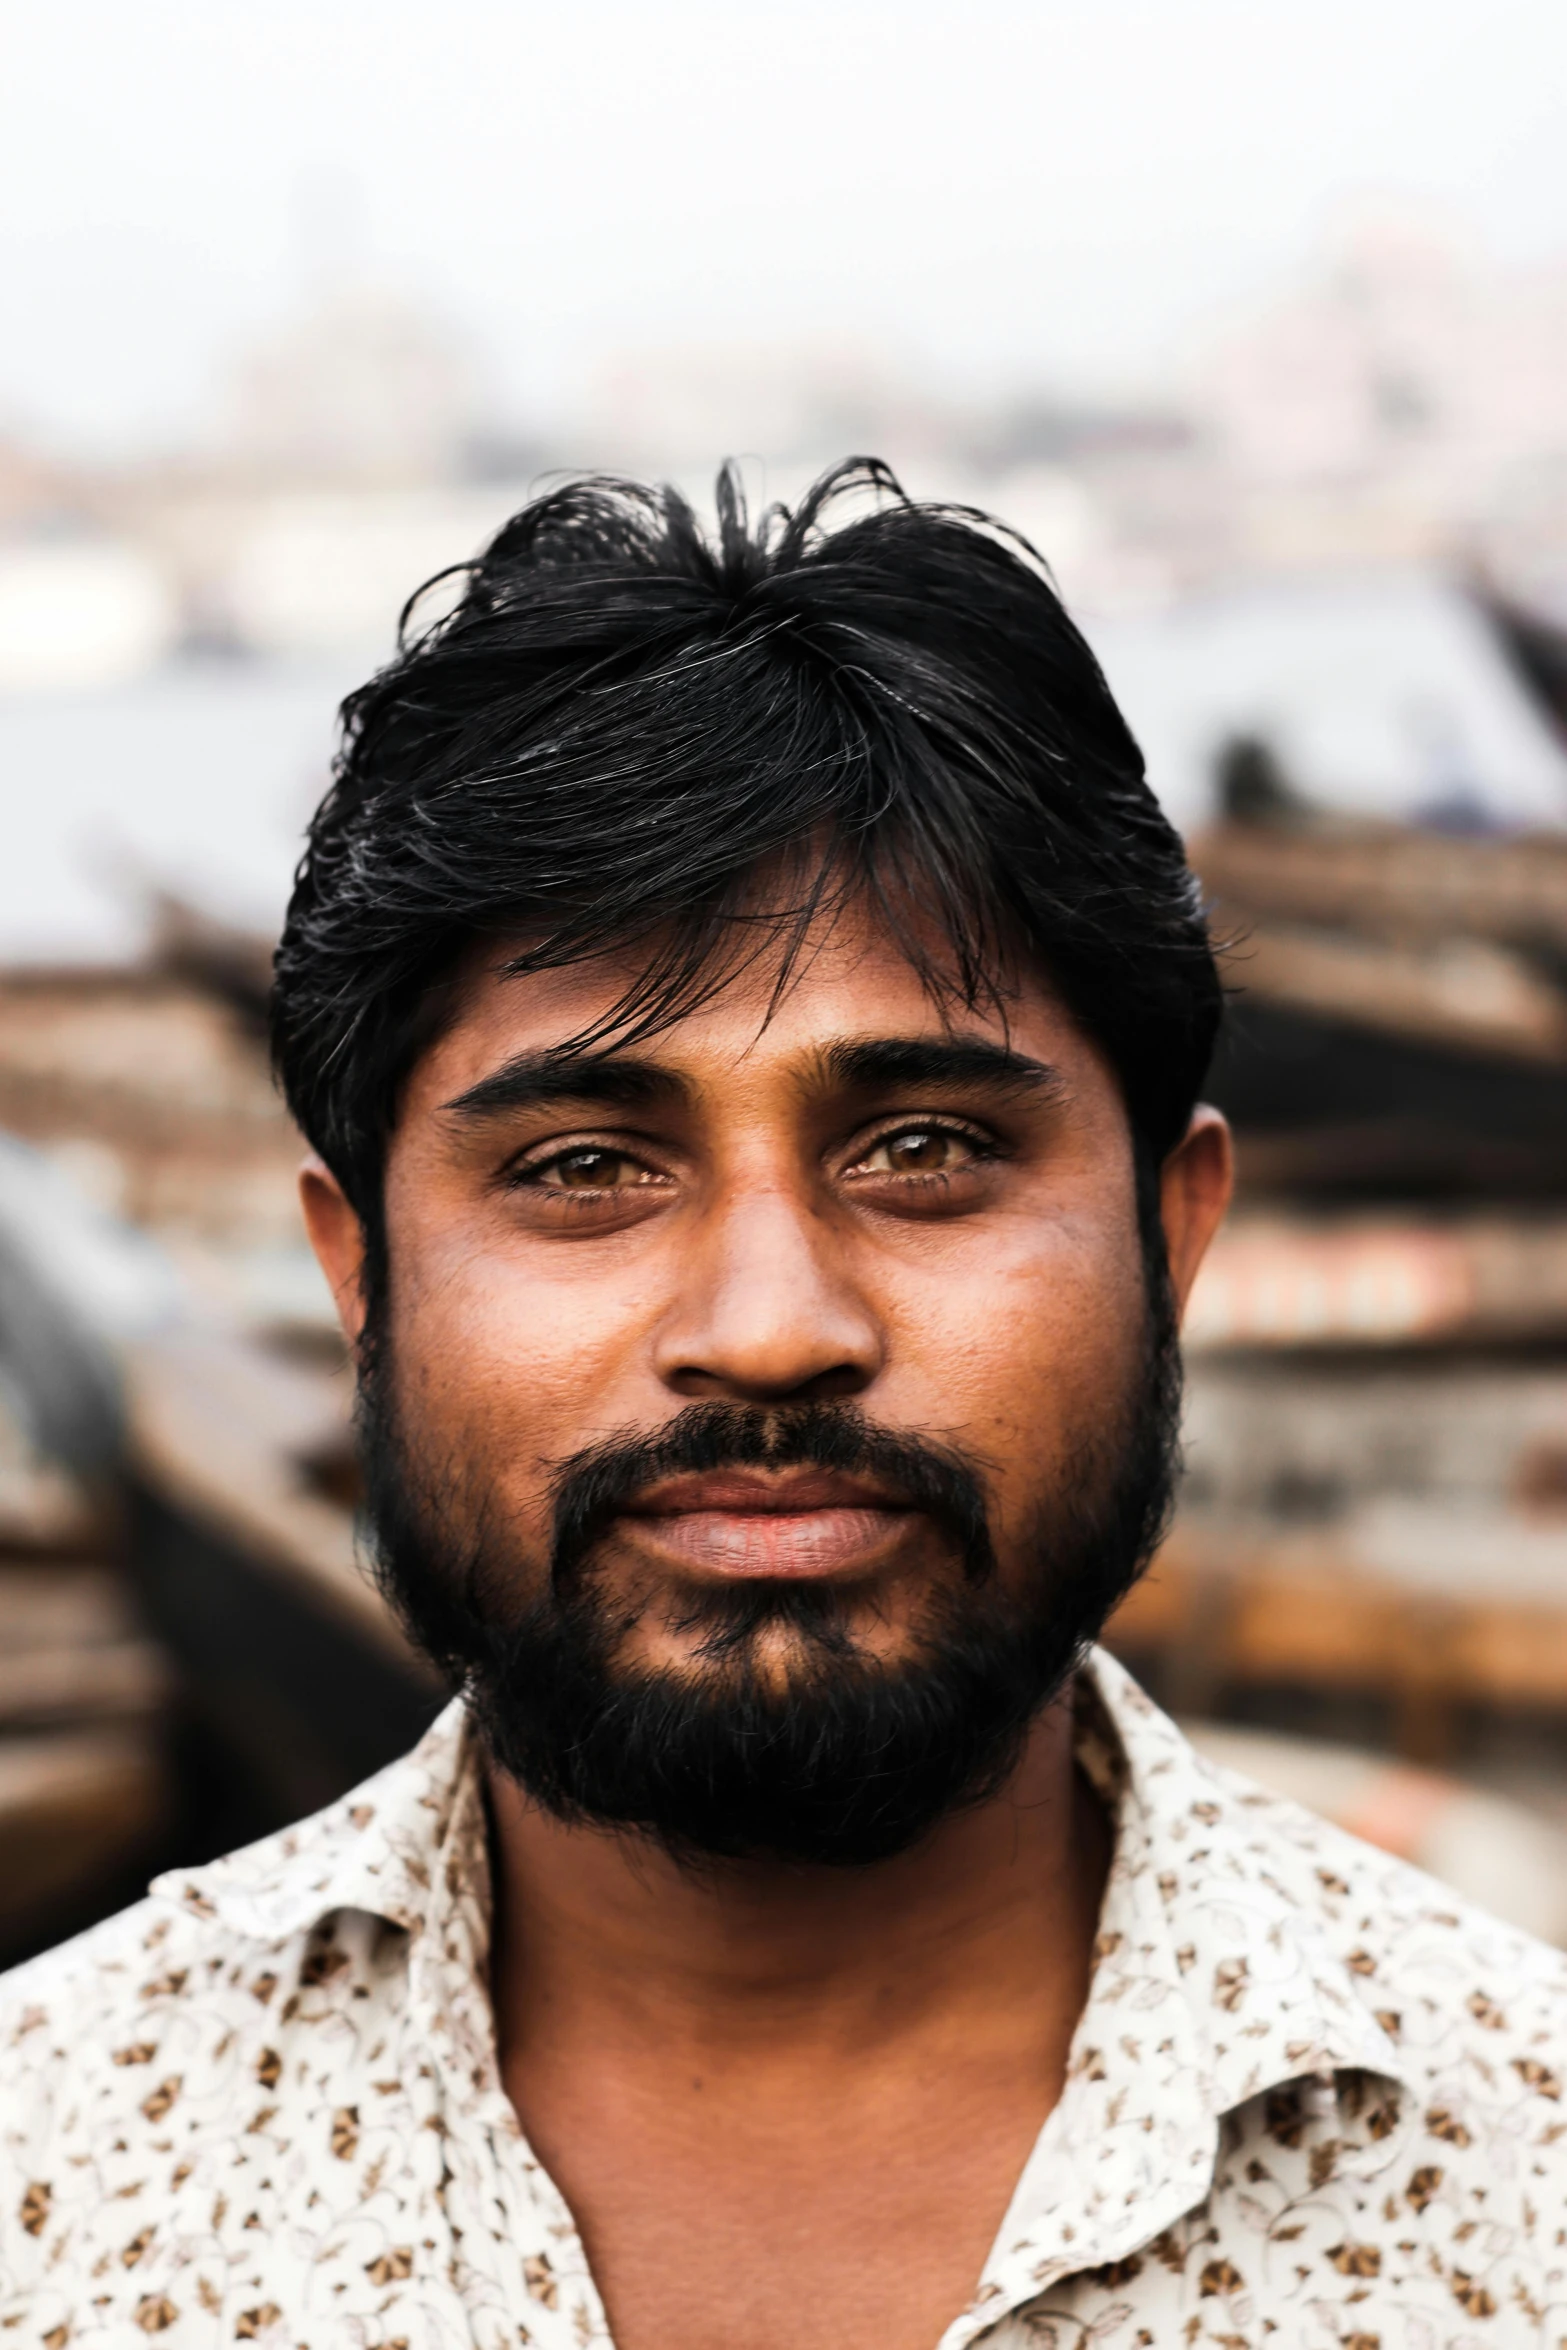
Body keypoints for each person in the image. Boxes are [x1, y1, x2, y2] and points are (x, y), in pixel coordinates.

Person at [3, 462, 1563, 2350]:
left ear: (1174, 1234)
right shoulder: (57, 2181)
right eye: (584, 1167)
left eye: (923, 1147)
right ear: (360, 1278)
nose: (766, 1328)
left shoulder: (1519, 2171)